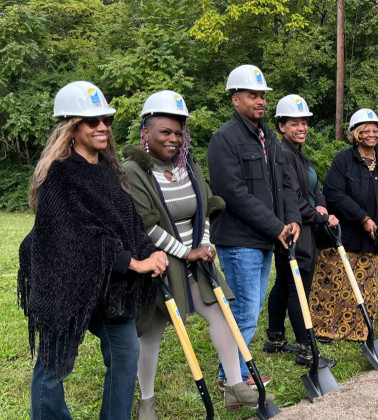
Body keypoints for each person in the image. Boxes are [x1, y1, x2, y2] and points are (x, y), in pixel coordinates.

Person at [17, 81, 169, 419]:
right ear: (71, 127)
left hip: (108, 286)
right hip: (64, 283)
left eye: (106, 120)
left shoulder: (109, 169)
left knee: (126, 352)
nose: (102, 127)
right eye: (92, 121)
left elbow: (129, 224)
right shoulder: (60, 175)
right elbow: (78, 237)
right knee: (54, 365)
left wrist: (150, 252)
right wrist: (134, 263)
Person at [122, 90, 273, 418]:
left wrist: (203, 245)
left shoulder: (187, 164)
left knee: (221, 314)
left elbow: (204, 207)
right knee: (151, 334)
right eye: (165, 131)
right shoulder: (133, 171)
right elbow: (145, 225)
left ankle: (235, 387)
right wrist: (184, 252)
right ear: (145, 132)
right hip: (159, 265)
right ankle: (146, 400)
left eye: (179, 132)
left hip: (195, 260)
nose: (174, 139)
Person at [207, 65, 301, 387]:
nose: (260, 101)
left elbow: (285, 185)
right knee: (246, 310)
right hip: (238, 240)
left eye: (262, 95)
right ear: (235, 99)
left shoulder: (269, 138)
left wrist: (292, 219)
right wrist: (276, 226)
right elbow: (233, 194)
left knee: (253, 307)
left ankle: (233, 373)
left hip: (264, 238)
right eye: (252, 95)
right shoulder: (225, 139)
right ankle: (233, 377)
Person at [309, 108, 378, 341]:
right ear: (356, 134)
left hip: (371, 238)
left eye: (375, 130)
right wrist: (363, 218)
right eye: (365, 130)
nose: (371, 134)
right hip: (344, 234)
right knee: (335, 283)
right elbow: (334, 193)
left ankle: (357, 330)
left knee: (364, 284)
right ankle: (325, 330)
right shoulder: (343, 161)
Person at [264, 95, 338, 367]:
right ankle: (307, 349)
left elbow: (314, 190)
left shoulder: (298, 153)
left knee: (284, 283)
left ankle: (275, 337)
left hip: (306, 225)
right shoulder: (282, 154)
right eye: (295, 123)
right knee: (299, 287)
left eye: (305, 123)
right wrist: (320, 217)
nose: (302, 128)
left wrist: (321, 208)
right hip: (295, 229)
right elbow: (292, 200)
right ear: (281, 126)